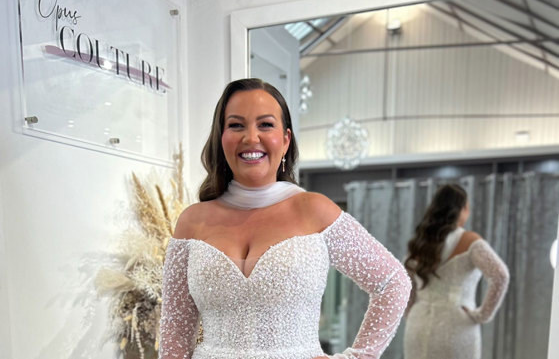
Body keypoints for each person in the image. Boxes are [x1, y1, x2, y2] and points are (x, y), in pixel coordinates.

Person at [158, 78, 411, 359]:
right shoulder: (192, 222)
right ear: (221, 138)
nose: (251, 137)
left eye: (265, 125)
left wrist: (358, 356)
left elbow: (393, 282)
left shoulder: (314, 210)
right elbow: (175, 335)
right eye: (236, 125)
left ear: (286, 139)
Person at [403, 184, 509, 359]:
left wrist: (411, 313)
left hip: (418, 323)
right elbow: (501, 276)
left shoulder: (419, 242)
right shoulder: (470, 240)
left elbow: (406, 286)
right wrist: (482, 315)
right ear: (462, 209)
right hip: (456, 325)